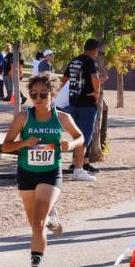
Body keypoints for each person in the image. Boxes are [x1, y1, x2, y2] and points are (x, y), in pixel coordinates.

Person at [1, 74, 83, 267]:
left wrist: (71, 145)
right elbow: (6, 146)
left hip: (50, 174)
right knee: (36, 225)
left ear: (52, 94)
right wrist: (24, 143)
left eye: (43, 94)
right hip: (26, 174)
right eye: (33, 94)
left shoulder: (62, 118)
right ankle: (52, 219)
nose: (38, 98)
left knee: (37, 223)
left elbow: (80, 136)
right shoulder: (23, 117)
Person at [59, 38, 102, 181]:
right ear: (95, 50)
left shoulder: (74, 60)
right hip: (86, 105)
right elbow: (95, 79)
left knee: (77, 136)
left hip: (73, 103)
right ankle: (78, 169)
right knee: (83, 137)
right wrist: (96, 94)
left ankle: (77, 166)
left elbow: (64, 79)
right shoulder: (90, 62)